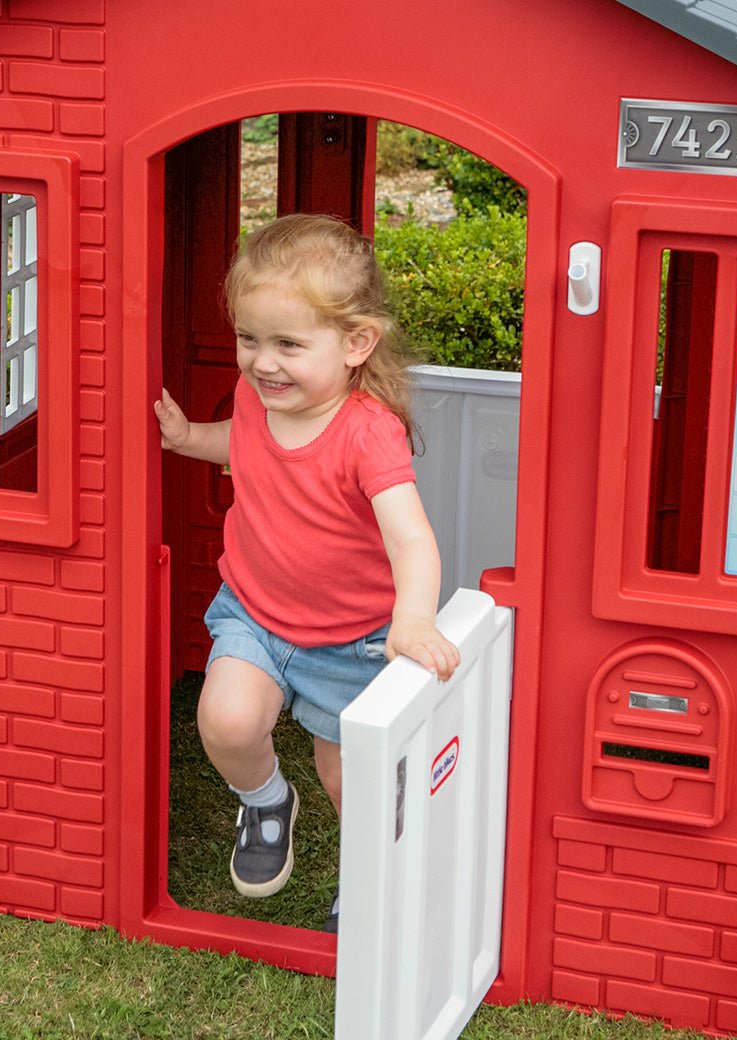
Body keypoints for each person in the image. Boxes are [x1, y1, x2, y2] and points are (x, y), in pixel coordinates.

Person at [154, 212, 459, 933]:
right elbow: (246, 443)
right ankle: (263, 803)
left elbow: (413, 540)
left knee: (351, 780)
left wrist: (412, 620)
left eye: (288, 344)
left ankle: (369, 874)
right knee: (225, 723)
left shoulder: (366, 432)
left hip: (351, 640)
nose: (263, 362)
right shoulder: (263, 399)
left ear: (357, 344)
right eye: (249, 339)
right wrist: (191, 438)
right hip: (255, 614)